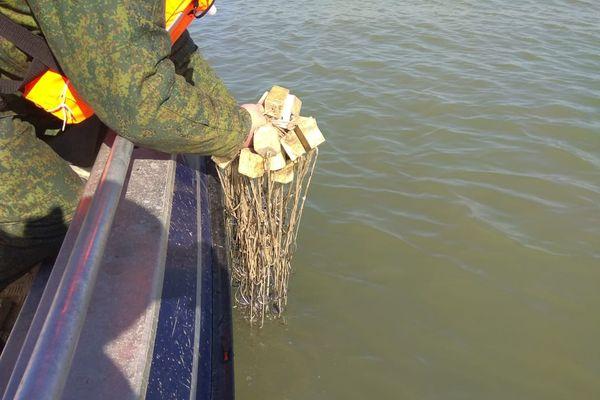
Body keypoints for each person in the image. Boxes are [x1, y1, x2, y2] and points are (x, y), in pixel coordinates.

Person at [0, 0, 266, 290]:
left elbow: (171, 44)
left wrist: (235, 116)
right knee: (59, 215)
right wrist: (238, 130)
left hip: (21, 88)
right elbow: (139, 104)